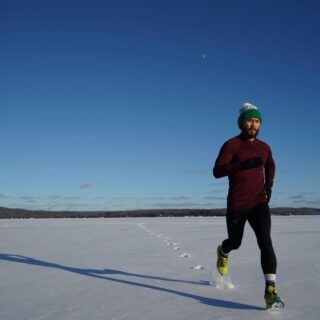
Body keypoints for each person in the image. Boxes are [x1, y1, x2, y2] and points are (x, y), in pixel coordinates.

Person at [212, 102, 284, 309]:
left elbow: (270, 164)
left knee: (265, 242)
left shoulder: (264, 147)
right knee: (235, 242)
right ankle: (223, 251)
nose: (253, 124)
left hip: (259, 202)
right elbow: (217, 171)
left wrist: (269, 185)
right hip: (237, 204)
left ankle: (270, 290)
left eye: (257, 120)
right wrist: (240, 166)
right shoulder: (231, 145)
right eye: (250, 120)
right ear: (242, 122)